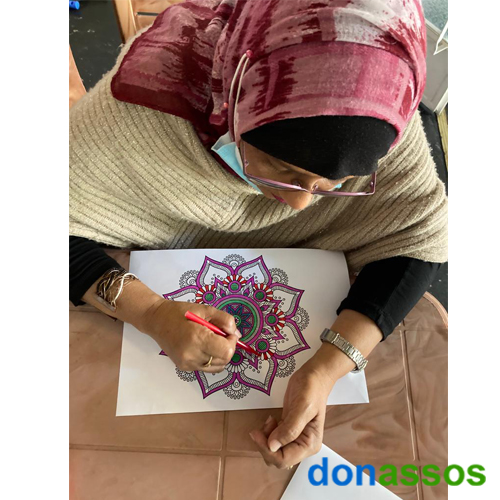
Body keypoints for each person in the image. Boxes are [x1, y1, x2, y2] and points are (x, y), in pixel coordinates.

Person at [69, 0, 447, 470]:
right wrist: (151, 313)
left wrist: (326, 369)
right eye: (279, 168)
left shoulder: (384, 101)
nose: (300, 205)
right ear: (234, 99)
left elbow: (417, 238)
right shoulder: (143, 107)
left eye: (335, 184)